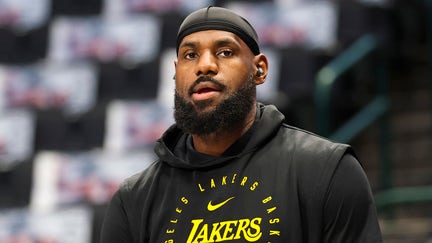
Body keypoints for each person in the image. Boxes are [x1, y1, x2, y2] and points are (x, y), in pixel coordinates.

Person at [100, 6, 382, 243]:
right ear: (176, 73)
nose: (205, 65)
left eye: (225, 52)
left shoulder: (327, 169)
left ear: (259, 69)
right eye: (190, 55)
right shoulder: (133, 201)